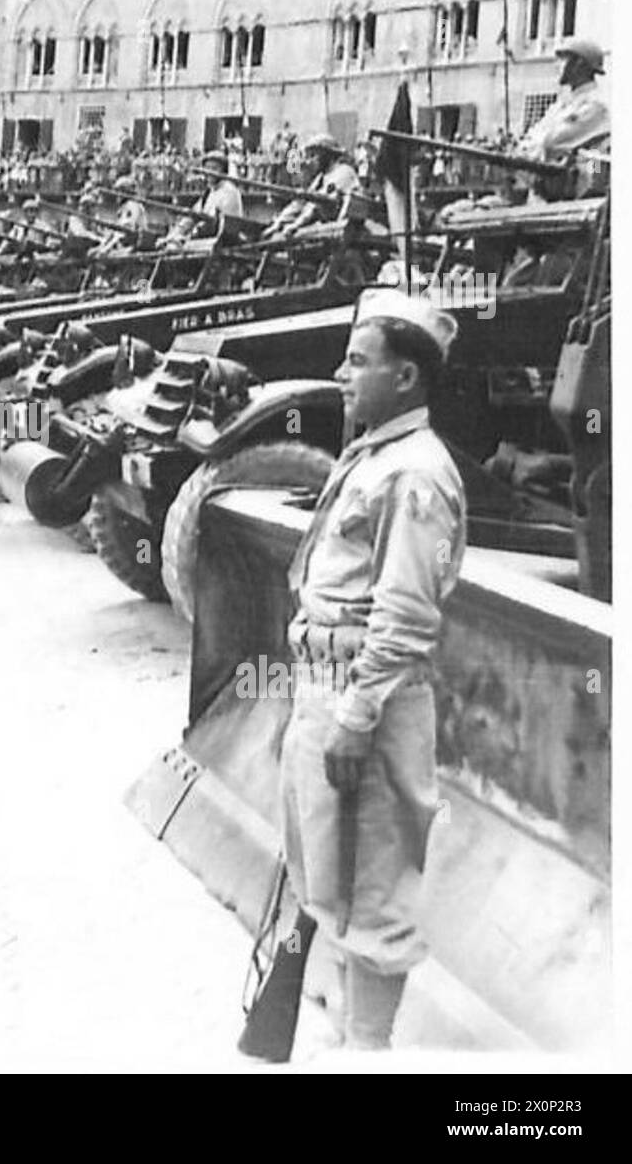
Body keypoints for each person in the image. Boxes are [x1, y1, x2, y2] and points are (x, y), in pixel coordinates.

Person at [281, 288, 465, 1051]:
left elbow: (405, 616)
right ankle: (351, 1020)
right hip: (326, 683)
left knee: (376, 879)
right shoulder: (375, 455)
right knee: (329, 866)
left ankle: (369, 1048)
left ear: (406, 378)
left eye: (358, 362)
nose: (341, 373)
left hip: (371, 699)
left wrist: (355, 719)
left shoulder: (413, 473)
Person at [519, 39, 609, 165]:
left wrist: (528, 149)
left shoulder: (596, 107)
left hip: (575, 181)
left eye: (563, 60)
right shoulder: (563, 103)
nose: (557, 66)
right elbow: (531, 136)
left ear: (579, 64)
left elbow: (552, 145)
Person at [264, 134, 359, 238]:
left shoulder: (344, 172)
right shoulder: (321, 177)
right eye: (309, 156)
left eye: (314, 156)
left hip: (340, 231)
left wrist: (296, 224)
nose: (309, 161)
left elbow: (318, 203)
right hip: (323, 229)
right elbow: (301, 202)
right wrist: (278, 223)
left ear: (327, 155)